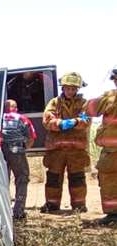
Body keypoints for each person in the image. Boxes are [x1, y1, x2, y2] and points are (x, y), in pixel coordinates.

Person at [41, 72, 92, 213]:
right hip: (56, 151)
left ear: (78, 89)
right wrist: (60, 124)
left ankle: (79, 206)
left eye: (74, 89)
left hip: (76, 151)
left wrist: (75, 121)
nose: (70, 91)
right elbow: (47, 121)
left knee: (77, 179)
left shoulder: (83, 104)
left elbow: (86, 120)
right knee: (53, 179)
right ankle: (51, 205)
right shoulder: (54, 103)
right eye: (68, 88)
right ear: (62, 88)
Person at [84, 66, 117, 226]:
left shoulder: (109, 97)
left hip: (110, 153)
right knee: (109, 183)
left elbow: (89, 109)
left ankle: (113, 216)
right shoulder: (109, 97)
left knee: (109, 182)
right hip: (110, 153)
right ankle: (113, 215)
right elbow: (90, 109)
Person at [0, 100, 37, 219]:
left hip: (0, 152)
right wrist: (24, 148)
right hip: (17, 151)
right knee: (22, 179)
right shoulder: (22, 119)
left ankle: (3, 211)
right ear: (16, 108)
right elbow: (31, 137)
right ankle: (18, 211)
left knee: (3, 181)